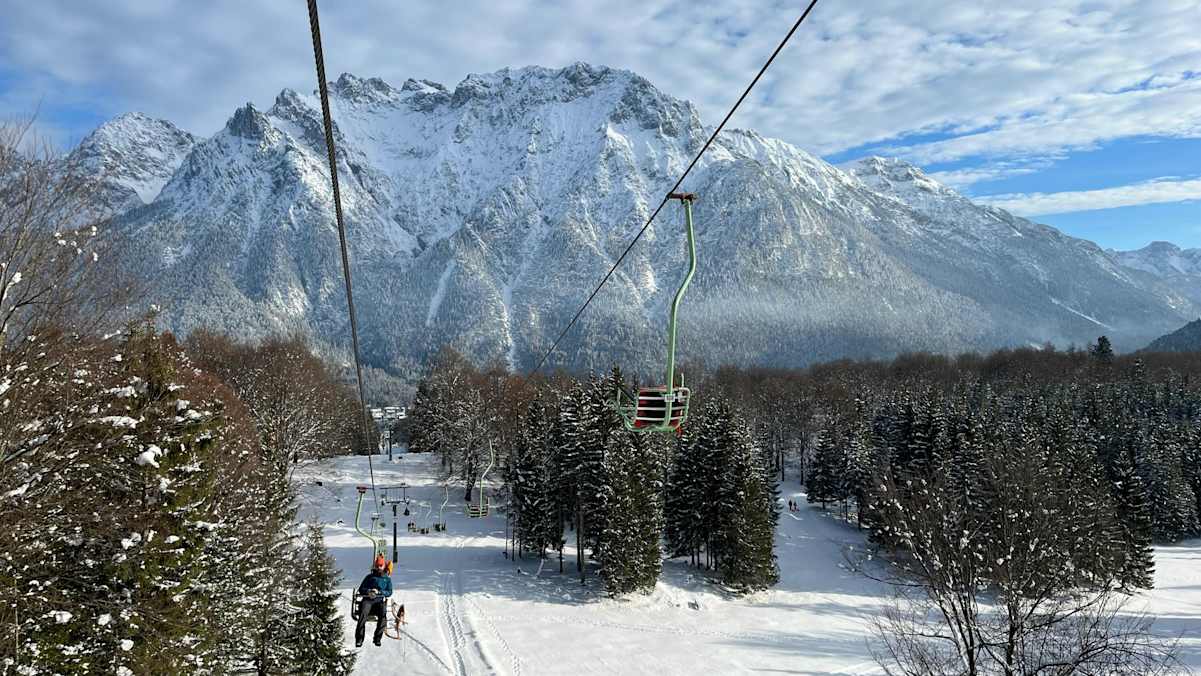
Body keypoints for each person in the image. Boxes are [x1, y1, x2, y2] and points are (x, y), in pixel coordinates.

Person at [355, 554, 393, 647]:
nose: (379, 567)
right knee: (363, 614)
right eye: (377, 566)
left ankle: (377, 638)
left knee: (383, 616)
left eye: (381, 566)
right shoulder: (369, 577)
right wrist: (368, 591)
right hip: (368, 600)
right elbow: (361, 588)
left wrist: (380, 592)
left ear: (384, 566)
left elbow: (389, 592)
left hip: (378, 601)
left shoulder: (386, 579)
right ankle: (359, 638)